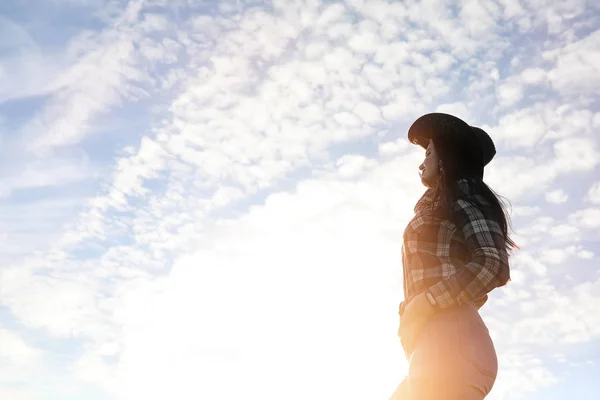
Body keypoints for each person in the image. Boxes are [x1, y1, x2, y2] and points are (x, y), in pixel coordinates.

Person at [391, 113, 517, 400]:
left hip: (451, 343)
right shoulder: (434, 207)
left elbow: (492, 263)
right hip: (433, 345)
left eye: (429, 152)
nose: (422, 162)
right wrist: (409, 316)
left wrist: (427, 302)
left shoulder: (463, 195)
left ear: (446, 158)